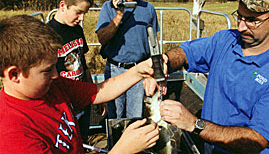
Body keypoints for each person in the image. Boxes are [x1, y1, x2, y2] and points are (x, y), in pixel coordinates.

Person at [144, 0, 269, 153]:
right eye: (239, 16)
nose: (241, 27)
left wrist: (194, 124)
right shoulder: (226, 40)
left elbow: (257, 140)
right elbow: (185, 53)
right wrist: (164, 62)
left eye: (251, 20)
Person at [0, 15, 159, 154]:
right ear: (14, 74)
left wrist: (139, 71)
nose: (56, 74)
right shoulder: (14, 138)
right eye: (47, 70)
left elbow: (99, 91)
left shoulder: (51, 86)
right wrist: (122, 150)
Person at [95, 0, 160, 119]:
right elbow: (102, 39)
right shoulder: (108, 7)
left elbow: (154, 43)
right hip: (114, 70)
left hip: (139, 70)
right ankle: (116, 143)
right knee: (115, 117)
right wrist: (118, 15)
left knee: (135, 117)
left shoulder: (148, 8)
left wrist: (155, 73)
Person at [47, 0, 99, 143]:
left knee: (82, 141)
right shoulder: (47, 35)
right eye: (78, 12)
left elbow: (83, 63)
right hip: (63, 104)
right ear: (63, 5)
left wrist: (93, 93)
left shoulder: (77, 29)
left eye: (85, 13)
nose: (81, 18)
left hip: (82, 99)